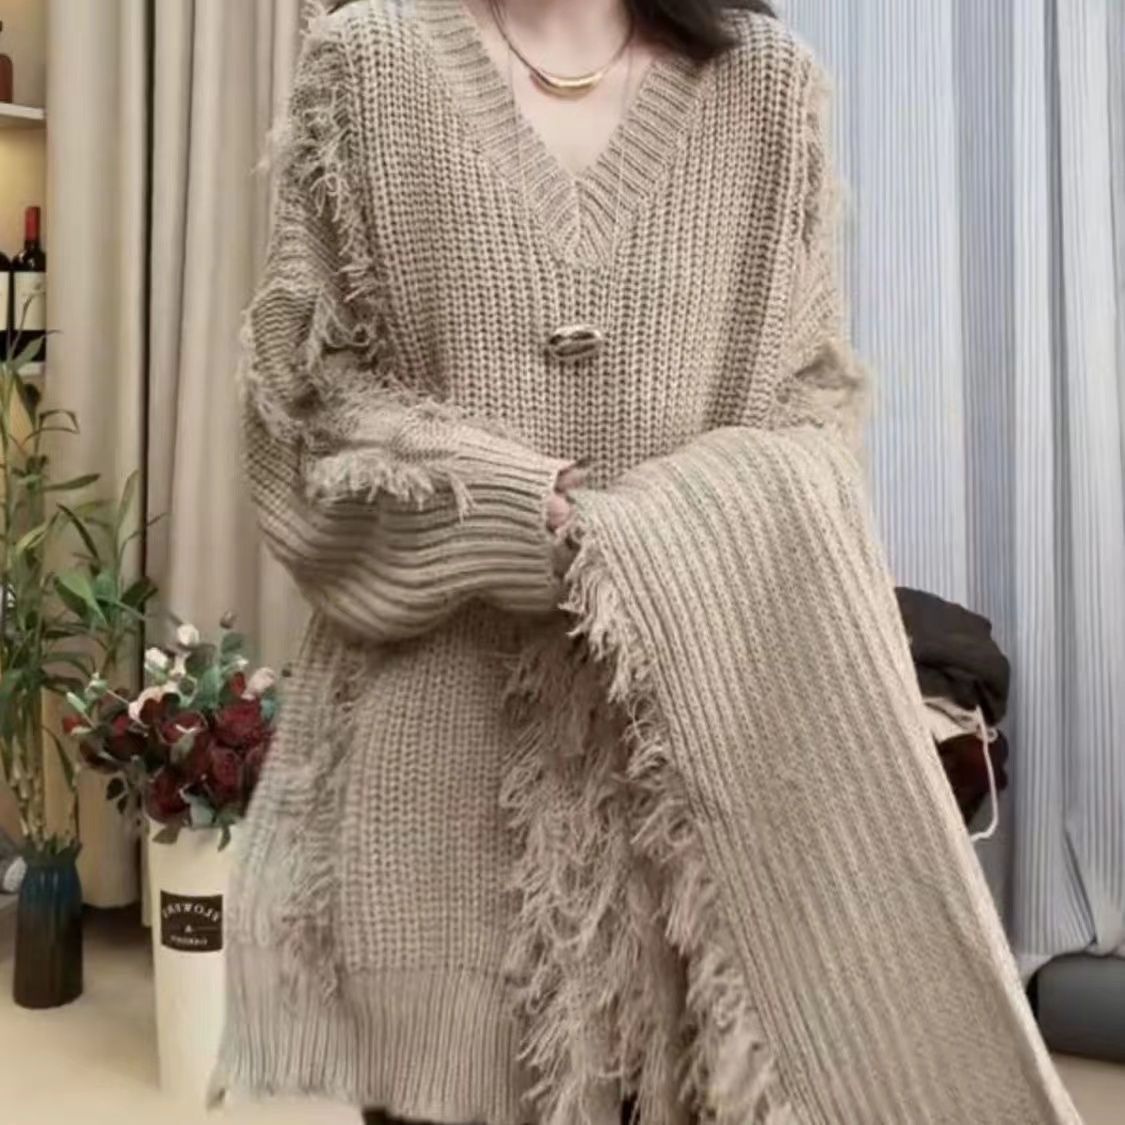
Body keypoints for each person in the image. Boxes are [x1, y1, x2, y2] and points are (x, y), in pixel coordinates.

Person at [212, 2, 1083, 1123]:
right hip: (434, 811)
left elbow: (811, 418)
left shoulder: (766, 85)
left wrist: (644, 535)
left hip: (695, 816)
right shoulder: (366, 62)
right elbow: (302, 414)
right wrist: (515, 512)